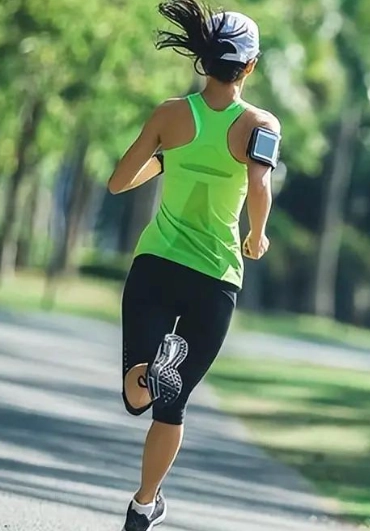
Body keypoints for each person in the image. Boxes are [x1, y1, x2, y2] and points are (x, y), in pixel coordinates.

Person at [105, 1, 281, 529]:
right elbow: (259, 184)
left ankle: (148, 369)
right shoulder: (260, 124)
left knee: (138, 391)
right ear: (249, 66)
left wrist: (166, 157)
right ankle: (143, 506)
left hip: (156, 264)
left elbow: (118, 182)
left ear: (203, 60)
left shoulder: (169, 114)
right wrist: (256, 234)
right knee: (172, 404)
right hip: (215, 279)